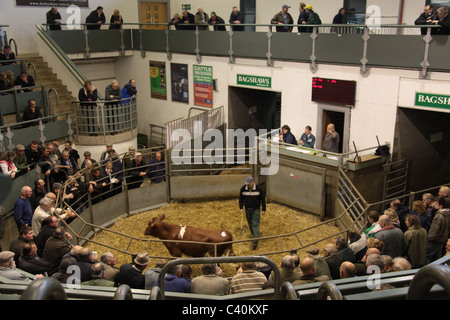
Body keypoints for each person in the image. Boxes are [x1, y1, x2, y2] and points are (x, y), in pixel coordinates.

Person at [239, 176, 266, 249]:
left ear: (253, 182)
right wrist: (241, 207)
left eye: (249, 183)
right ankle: (254, 235)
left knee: (255, 224)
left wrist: (263, 209)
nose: (247, 185)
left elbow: (263, 199)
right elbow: (241, 199)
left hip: (256, 209)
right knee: (250, 224)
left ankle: (255, 242)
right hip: (247, 209)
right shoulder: (243, 189)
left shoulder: (259, 189)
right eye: (247, 183)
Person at [426, 197, 449, 263]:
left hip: (434, 240)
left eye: (436, 204)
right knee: (437, 259)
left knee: (427, 257)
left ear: (441, 206)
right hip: (442, 240)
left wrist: (429, 238)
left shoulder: (438, 215)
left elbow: (434, 230)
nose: (434, 205)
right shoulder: (447, 214)